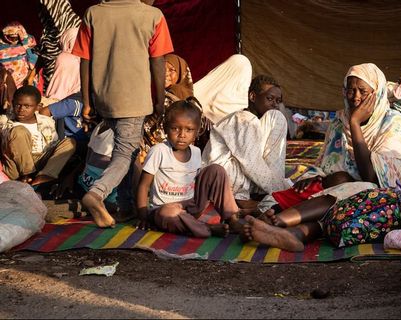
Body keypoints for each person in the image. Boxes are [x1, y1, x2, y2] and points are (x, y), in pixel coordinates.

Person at [242, 63, 401, 251]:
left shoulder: (393, 122)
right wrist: (314, 176)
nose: (355, 97)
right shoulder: (339, 122)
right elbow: (326, 164)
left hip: (377, 200)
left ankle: (277, 223)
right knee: (332, 188)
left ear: (377, 92)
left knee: (357, 188)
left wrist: (355, 124)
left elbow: (374, 177)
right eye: (350, 90)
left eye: (363, 91)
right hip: (337, 201)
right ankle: (292, 235)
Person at [72, 0, 173, 228]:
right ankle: (97, 193)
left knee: (128, 148)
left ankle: (126, 207)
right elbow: (158, 61)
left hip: (103, 97)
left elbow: (84, 60)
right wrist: (159, 100)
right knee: (125, 153)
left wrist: (87, 101)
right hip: (134, 98)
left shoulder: (93, 13)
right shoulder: (153, 15)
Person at [136, 98, 241, 237]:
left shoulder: (196, 152)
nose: (182, 135)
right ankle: (206, 228)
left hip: (191, 207)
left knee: (216, 170)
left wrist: (216, 187)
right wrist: (143, 217)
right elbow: (143, 186)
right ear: (165, 128)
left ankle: (232, 219)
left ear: (197, 131)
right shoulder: (159, 151)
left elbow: (197, 182)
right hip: (164, 210)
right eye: (175, 128)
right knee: (169, 213)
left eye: (189, 130)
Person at [201, 74, 290, 204]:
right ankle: (271, 193)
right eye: (270, 98)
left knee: (277, 116)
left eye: (278, 101)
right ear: (253, 97)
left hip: (238, 178)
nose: (275, 105)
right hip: (222, 180)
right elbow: (251, 164)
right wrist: (282, 192)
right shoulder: (243, 119)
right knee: (277, 117)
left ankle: (270, 191)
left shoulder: (255, 120)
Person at [0, 85, 76, 186]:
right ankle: (28, 175)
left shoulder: (46, 121)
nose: (21, 109)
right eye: (18, 105)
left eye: (27, 106)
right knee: (19, 131)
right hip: (16, 165)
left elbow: (52, 145)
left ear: (38, 107)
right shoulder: (4, 121)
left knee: (70, 142)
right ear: (13, 103)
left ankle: (45, 175)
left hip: (40, 159)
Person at [45, 27, 80, 100]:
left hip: (63, 99)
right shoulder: (76, 58)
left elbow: (60, 83)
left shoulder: (65, 57)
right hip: (71, 100)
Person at [0, 22, 38, 88]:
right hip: (6, 76)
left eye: (16, 38)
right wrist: (22, 48)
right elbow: (3, 54)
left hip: (23, 75)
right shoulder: (1, 42)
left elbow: (33, 56)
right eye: (11, 37)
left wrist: (24, 40)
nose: (14, 40)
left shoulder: (28, 40)